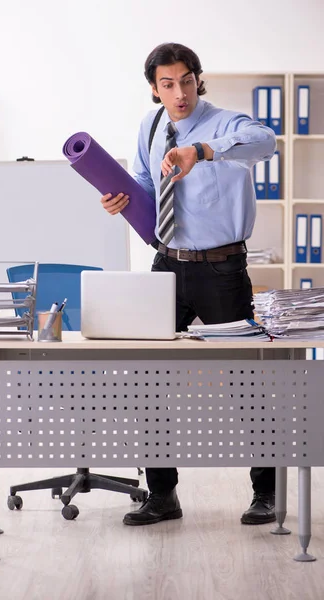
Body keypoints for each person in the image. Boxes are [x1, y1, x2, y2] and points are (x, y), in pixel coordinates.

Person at [101, 42, 277, 527]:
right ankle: (163, 496)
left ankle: (266, 493)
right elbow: (141, 180)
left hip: (222, 269)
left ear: (198, 78)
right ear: (154, 89)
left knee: (248, 385)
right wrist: (122, 199)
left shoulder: (228, 124)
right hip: (168, 265)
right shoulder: (150, 127)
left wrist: (200, 151)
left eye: (185, 80)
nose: (178, 92)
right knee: (150, 381)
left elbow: (267, 143)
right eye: (167, 84)